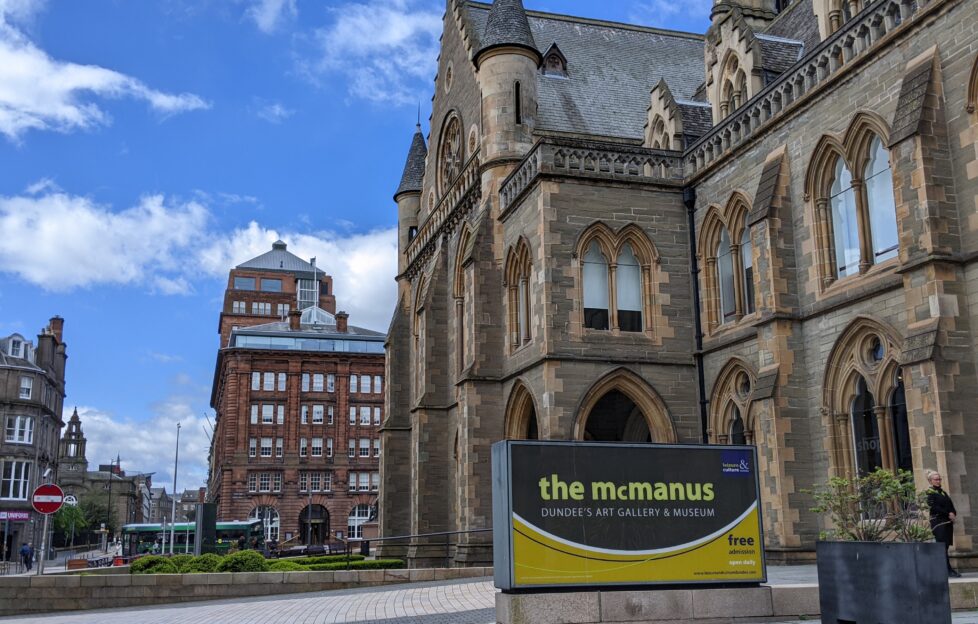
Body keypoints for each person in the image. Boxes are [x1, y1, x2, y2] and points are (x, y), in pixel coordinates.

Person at [926, 470, 961, 578]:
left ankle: (947, 569)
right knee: (941, 546)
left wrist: (953, 513)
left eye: (939, 479)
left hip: (946, 522)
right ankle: (946, 570)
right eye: (936, 479)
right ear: (930, 481)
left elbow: (950, 505)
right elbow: (934, 507)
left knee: (945, 546)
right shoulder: (930, 493)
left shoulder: (943, 492)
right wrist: (948, 513)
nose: (938, 481)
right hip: (938, 522)